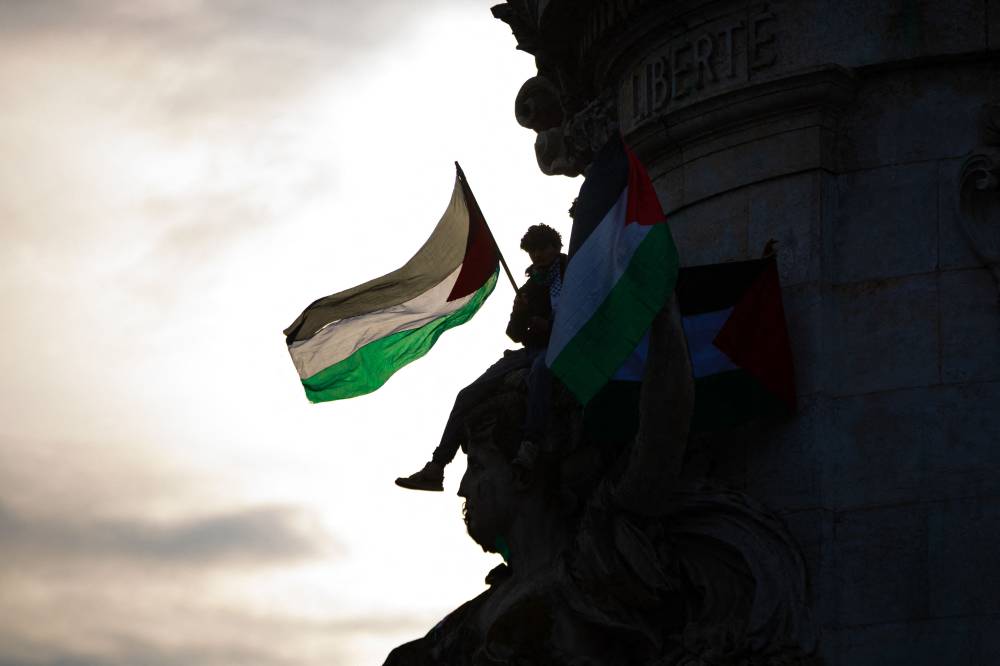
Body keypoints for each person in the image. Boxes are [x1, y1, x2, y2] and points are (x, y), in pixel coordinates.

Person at [394, 224, 567, 492]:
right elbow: (515, 334)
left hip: (561, 347)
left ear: (556, 248)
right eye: (534, 250)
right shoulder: (530, 286)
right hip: (529, 351)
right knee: (467, 394)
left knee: (540, 374)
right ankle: (437, 467)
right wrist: (520, 312)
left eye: (544, 248)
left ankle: (530, 445)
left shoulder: (570, 273)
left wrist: (551, 327)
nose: (539, 255)